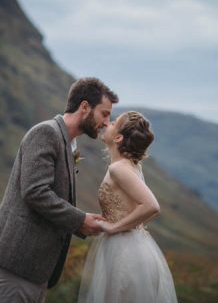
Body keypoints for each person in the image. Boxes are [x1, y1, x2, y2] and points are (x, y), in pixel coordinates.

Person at [0, 77, 119, 303]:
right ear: (84, 107)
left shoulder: (68, 143)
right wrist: (80, 220)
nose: (108, 122)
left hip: (34, 265)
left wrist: (83, 220)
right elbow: (35, 191)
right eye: (105, 113)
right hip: (18, 259)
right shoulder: (46, 133)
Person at [78, 111, 178, 303]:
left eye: (113, 123)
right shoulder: (128, 165)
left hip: (125, 252)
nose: (107, 124)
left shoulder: (119, 168)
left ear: (118, 137)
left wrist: (114, 227)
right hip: (127, 246)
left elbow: (151, 206)